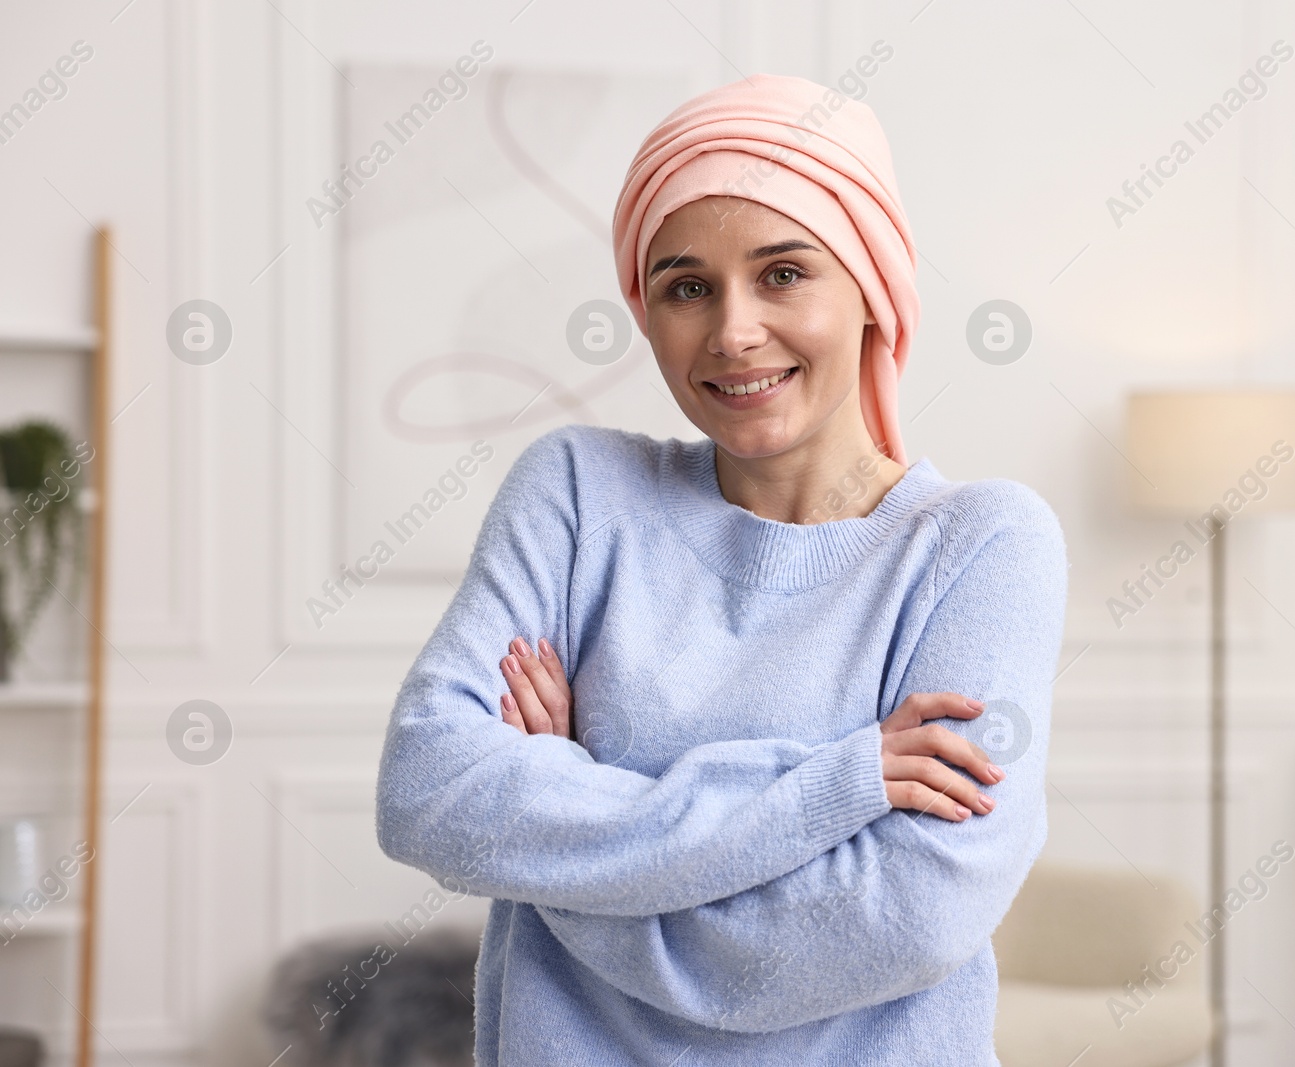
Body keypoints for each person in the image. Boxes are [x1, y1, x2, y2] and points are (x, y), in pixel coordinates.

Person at [375, 72, 1068, 1066]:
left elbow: (911, 920)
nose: (734, 330)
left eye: (783, 272)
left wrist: (563, 829)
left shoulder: (982, 543)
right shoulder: (575, 493)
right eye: (685, 286)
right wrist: (833, 788)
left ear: (873, 284)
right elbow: (425, 794)